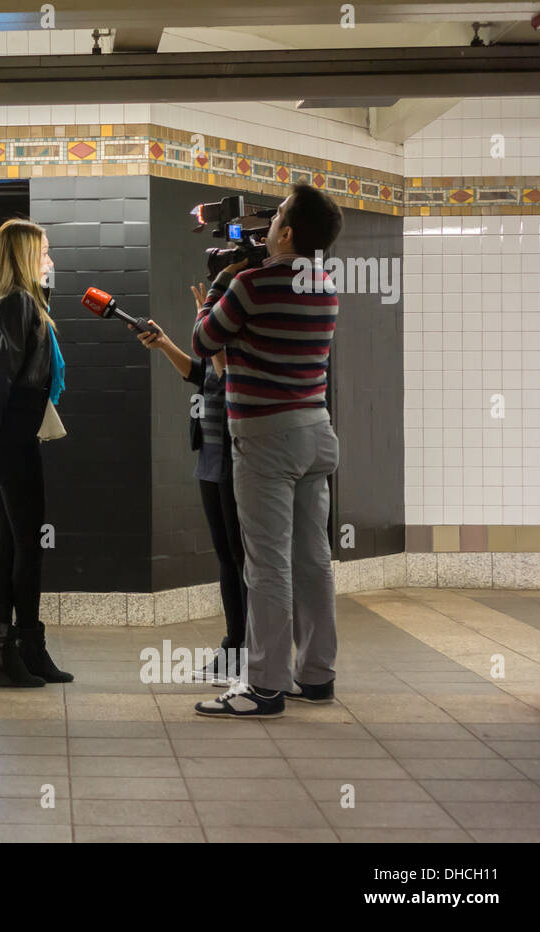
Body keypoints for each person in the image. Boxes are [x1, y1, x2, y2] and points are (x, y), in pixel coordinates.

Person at [190, 185, 343, 718]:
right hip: (316, 432)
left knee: (267, 563)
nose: (269, 221)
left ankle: (265, 687)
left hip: (264, 438)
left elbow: (203, 341)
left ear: (289, 232)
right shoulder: (325, 286)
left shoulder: (250, 285)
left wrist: (216, 287)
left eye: (276, 214)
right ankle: (316, 675)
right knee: (313, 558)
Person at [0, 218, 71, 687]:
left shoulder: (19, 302)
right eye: (44, 251)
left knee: (10, 544)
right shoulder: (19, 303)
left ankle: (11, 651)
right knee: (24, 547)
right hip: (10, 439)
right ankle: (17, 649)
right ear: (25, 255)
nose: (51, 260)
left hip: (9, 437)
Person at [129, 280, 247, 685]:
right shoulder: (216, 345)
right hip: (211, 461)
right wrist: (164, 344)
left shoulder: (240, 340)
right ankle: (234, 648)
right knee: (227, 561)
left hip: (237, 463)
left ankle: (248, 650)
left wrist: (204, 325)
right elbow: (202, 374)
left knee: (241, 560)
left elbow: (226, 373)